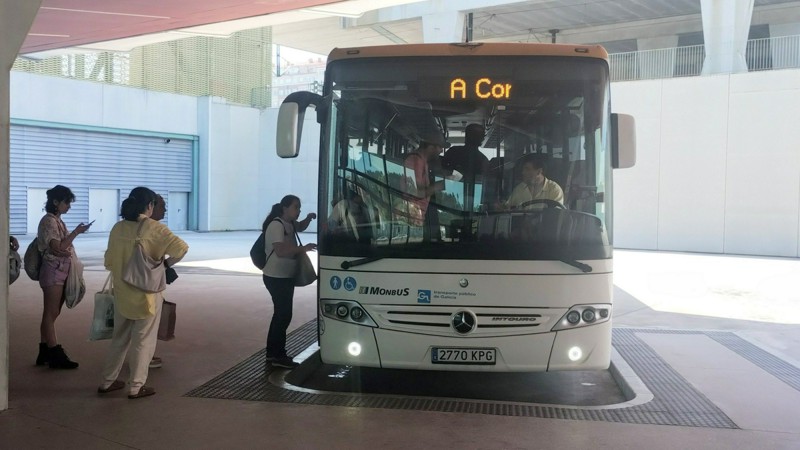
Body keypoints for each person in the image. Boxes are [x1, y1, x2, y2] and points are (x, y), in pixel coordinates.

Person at [98, 187, 189, 399]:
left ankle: (107, 382)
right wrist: (164, 265)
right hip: (146, 295)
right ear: (149, 205)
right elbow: (182, 249)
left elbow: (109, 261)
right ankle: (136, 387)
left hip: (122, 293)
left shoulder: (118, 228)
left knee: (119, 339)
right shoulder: (155, 228)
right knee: (143, 341)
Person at [36, 185, 92, 369]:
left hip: (59, 270)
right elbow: (58, 247)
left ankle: (44, 350)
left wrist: (75, 232)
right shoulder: (49, 221)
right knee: (51, 313)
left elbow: (63, 246)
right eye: (66, 202)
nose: (69, 206)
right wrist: (76, 232)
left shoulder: (57, 220)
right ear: (55, 202)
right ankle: (54, 352)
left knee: (51, 312)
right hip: (53, 270)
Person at [261, 195, 316, 369]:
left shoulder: (290, 223)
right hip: (276, 277)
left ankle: (274, 353)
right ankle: (277, 355)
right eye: (295, 207)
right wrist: (303, 248)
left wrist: (308, 218)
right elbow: (280, 250)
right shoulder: (276, 225)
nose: (298, 210)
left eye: (299, 207)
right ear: (284, 208)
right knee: (283, 315)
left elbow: (301, 226)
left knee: (282, 314)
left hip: (284, 276)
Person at [403, 136, 446, 239]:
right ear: (431, 146)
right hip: (412, 218)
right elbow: (415, 192)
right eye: (440, 147)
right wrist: (440, 186)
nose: (441, 151)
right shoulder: (415, 160)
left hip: (417, 216)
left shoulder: (422, 161)